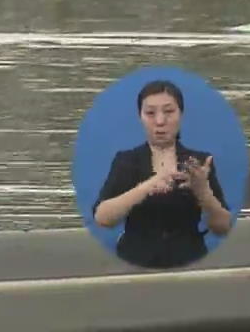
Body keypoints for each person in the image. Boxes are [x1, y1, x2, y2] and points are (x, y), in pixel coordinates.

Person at [92, 80, 233, 269]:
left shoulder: (198, 163)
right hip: (134, 262)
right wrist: (147, 186)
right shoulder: (127, 160)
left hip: (190, 261)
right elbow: (103, 218)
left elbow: (223, 227)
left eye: (168, 112)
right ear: (140, 116)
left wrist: (204, 193)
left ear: (180, 114)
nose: (160, 121)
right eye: (150, 113)